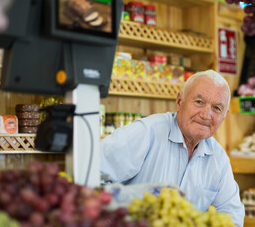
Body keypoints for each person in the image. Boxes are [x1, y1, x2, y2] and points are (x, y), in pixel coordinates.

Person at [100, 69, 245, 226]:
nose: (206, 115)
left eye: (217, 108)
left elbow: (232, 214)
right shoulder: (146, 133)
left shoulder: (218, 158)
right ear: (179, 102)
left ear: (225, 115)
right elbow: (91, 175)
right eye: (199, 102)